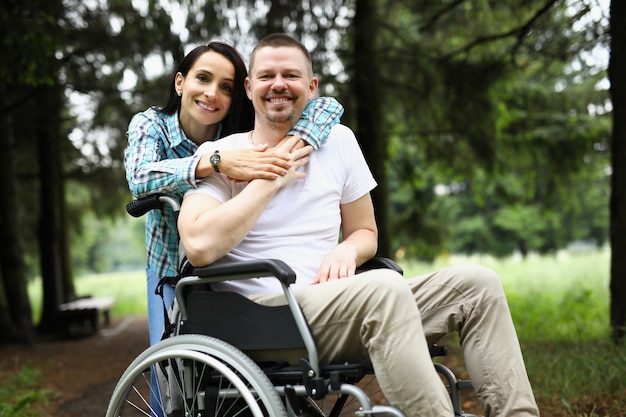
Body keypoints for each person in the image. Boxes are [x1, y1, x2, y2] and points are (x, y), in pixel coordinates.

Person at [177, 34, 540, 417]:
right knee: (382, 287)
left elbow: (365, 232)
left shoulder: (340, 142)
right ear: (249, 88)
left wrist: (346, 249)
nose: (279, 84)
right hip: (266, 313)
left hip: (340, 302)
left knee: (478, 285)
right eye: (266, 75)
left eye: (291, 75)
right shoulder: (222, 155)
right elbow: (199, 246)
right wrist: (270, 177)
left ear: (311, 86)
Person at [124, 41, 344, 347]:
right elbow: (139, 177)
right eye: (202, 78)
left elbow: (327, 107)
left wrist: (289, 147)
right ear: (179, 82)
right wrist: (215, 162)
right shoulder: (153, 126)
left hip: (226, 267)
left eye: (226, 88)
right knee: (169, 368)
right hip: (170, 264)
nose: (212, 93)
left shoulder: (235, 133)